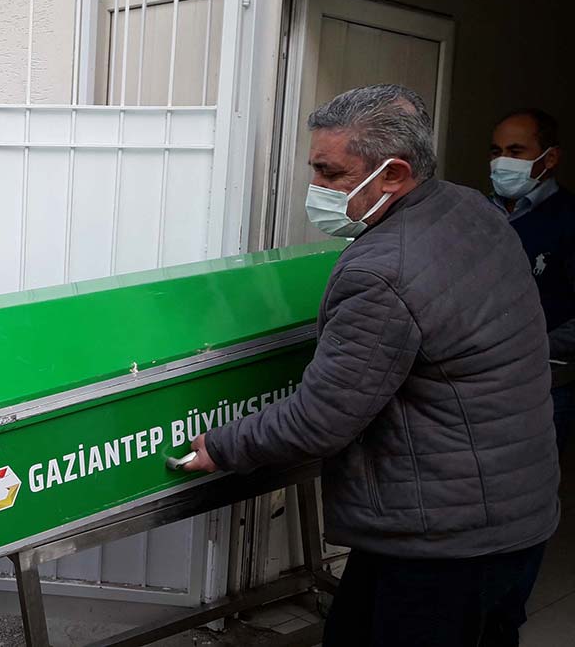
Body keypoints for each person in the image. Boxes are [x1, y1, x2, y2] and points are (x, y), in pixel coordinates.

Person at [183, 84, 560, 647]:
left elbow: (322, 418)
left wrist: (223, 445)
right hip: (514, 513)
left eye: (330, 174)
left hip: (443, 543)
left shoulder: (382, 271)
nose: (315, 189)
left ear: (392, 174)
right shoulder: (470, 209)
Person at [489, 109, 574, 451]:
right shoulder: (475, 214)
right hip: (479, 383)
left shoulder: (568, 220)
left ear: (549, 158)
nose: (502, 162)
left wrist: (535, 347)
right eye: (496, 152)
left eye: (516, 151)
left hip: (546, 386)